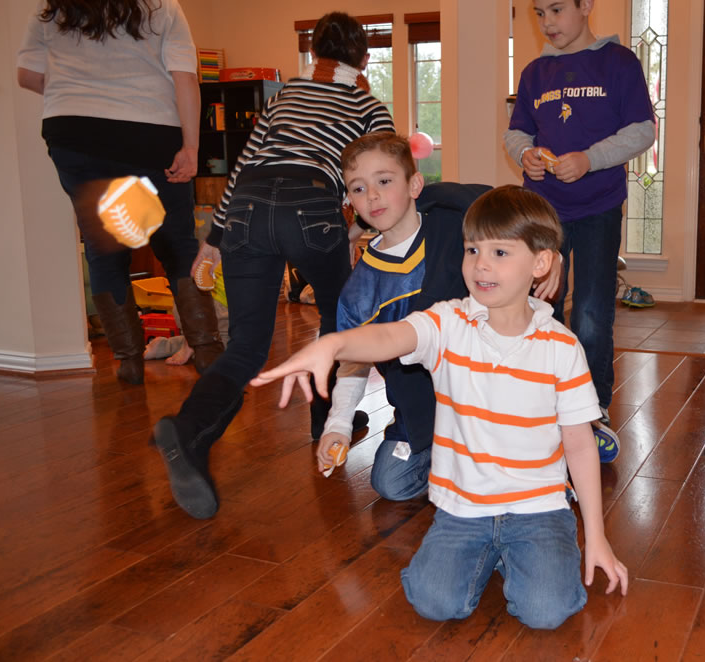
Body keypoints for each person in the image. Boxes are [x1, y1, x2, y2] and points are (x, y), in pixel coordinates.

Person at [252, 185, 628, 629]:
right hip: (462, 509)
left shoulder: (562, 347)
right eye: (472, 250)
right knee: (433, 601)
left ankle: (521, 555)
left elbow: (580, 446)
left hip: (538, 508)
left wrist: (597, 536)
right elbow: (390, 336)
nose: (481, 264)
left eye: (500, 253)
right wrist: (334, 343)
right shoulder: (448, 322)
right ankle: (498, 556)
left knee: (546, 611)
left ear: (541, 263)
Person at [150, 12, 393, 519]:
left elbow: (243, 164)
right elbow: (381, 172)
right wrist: (365, 230)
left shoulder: (286, 94)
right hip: (311, 204)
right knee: (340, 322)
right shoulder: (367, 104)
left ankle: (189, 429)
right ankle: (325, 421)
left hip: (247, 208)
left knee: (246, 345)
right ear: (364, 59)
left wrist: (214, 238)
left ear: (314, 53)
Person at [318, 132, 562, 499]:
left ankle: (552, 433)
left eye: (384, 181)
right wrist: (337, 426)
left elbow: (517, 220)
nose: (372, 196)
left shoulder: (458, 226)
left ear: (414, 184)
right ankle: (466, 458)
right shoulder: (358, 291)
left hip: (495, 391)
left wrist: (551, 253)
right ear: (349, 200)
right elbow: (352, 364)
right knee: (390, 483)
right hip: (425, 411)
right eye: (358, 188)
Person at [17, 0, 224, 384]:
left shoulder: (52, 9)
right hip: (148, 132)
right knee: (177, 246)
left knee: (104, 249)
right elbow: (185, 78)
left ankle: (129, 362)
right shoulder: (161, 5)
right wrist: (192, 148)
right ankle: (208, 354)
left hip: (74, 134)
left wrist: (75, 93)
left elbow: (28, 75)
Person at [504, 0, 655, 462]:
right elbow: (516, 132)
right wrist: (525, 154)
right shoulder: (534, 73)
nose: (547, 22)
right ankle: (543, 402)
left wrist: (590, 159)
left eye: (556, 10)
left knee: (590, 312)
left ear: (586, 5)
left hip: (598, 209)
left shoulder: (618, 62)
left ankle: (591, 410)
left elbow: (642, 131)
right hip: (541, 212)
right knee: (540, 307)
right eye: (539, 13)